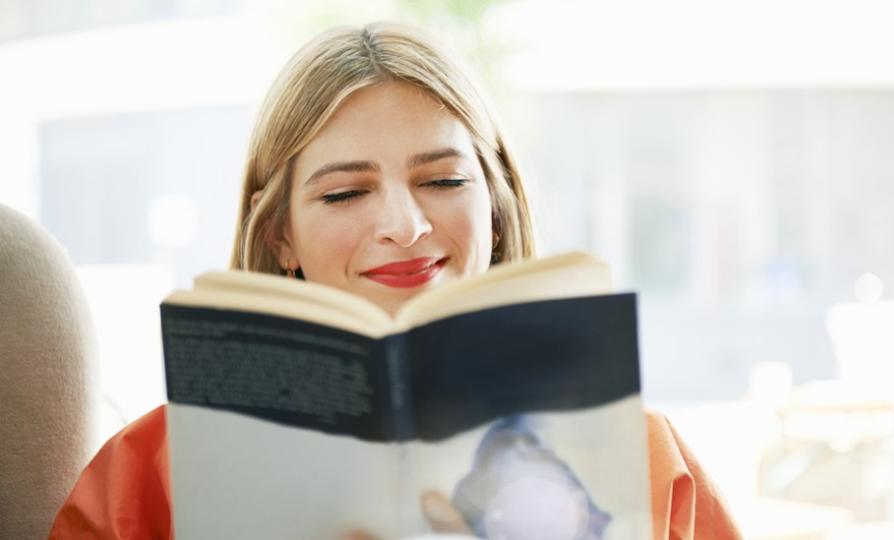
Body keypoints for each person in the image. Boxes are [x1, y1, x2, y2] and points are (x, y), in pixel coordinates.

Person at [48, 22, 741, 540]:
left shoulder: (638, 454)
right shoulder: (149, 474)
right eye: (345, 193)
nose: (405, 225)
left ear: (496, 211)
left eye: (442, 181)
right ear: (279, 236)